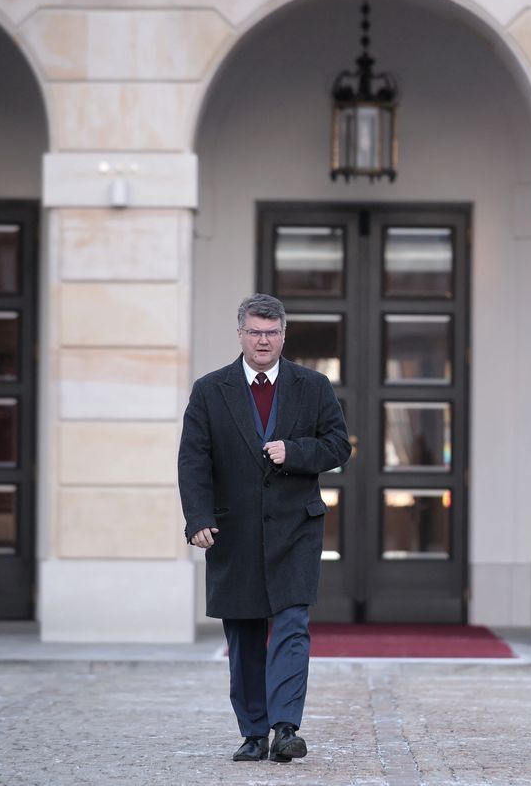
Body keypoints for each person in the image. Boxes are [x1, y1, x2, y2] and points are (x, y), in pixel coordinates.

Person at [178, 293, 351, 763]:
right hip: (233, 533)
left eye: (271, 333)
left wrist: (294, 452)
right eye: (255, 332)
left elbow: (338, 446)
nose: (263, 340)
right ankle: (253, 732)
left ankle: (285, 728)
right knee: (245, 635)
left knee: (292, 627)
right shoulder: (210, 390)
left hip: (296, 529)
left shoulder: (312, 385)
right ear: (240, 333)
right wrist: (198, 519)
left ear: (283, 335)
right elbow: (194, 460)